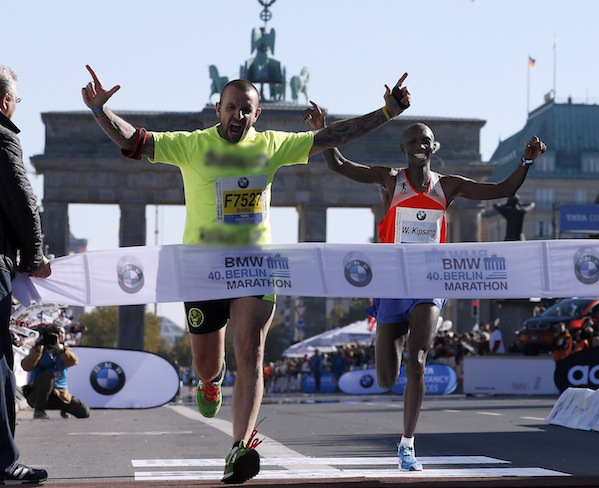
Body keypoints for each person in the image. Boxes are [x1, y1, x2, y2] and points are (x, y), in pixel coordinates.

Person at [81, 65, 411, 484]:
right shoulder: (192, 145)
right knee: (206, 363)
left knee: (252, 352)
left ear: (257, 115)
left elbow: (333, 137)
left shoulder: (271, 145)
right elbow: (134, 141)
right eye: (230, 107)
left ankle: (240, 447)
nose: (237, 115)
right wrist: (100, 111)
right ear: (218, 109)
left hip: (255, 266)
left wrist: (386, 112)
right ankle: (210, 380)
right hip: (202, 270)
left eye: (245, 109)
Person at [305, 103, 546, 472]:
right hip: (391, 283)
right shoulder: (390, 180)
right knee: (386, 378)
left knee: (417, 359)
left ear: (434, 148)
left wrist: (526, 161)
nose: (419, 144)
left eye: (425, 140)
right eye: (413, 140)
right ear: (403, 148)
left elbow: (502, 189)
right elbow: (339, 165)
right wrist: (321, 132)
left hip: (429, 282)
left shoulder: (447, 186)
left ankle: (407, 444)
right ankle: (387, 338)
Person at [0, 65, 51, 484]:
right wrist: (34, 255)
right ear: (5, 102)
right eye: (16, 99)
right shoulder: (2, 135)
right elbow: (21, 198)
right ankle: (3, 459)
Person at [21, 325, 90, 420]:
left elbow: (74, 361)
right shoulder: (38, 350)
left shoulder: (64, 350)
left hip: (60, 394)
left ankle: (64, 408)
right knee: (47, 376)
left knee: (84, 412)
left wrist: (60, 349)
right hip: (37, 394)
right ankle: (39, 411)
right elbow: (26, 366)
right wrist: (37, 352)